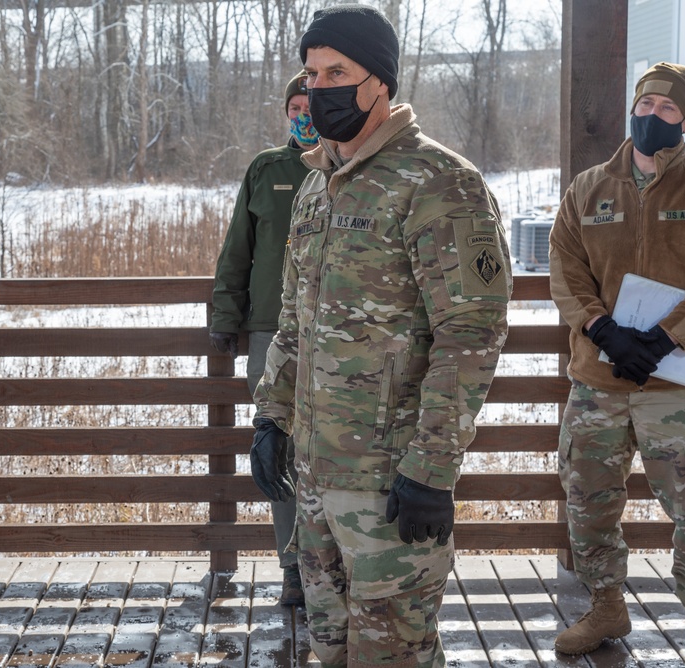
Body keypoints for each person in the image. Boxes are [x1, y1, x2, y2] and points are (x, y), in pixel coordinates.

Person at [249, 5, 511, 666]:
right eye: (311, 73)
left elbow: (470, 337)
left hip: (390, 486)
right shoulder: (317, 186)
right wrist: (272, 417)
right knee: (329, 649)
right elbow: (294, 320)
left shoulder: (440, 183)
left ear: (380, 84)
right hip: (317, 477)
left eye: (338, 71)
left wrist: (431, 467)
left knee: (394, 653)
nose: (319, 87)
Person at [549, 62, 685, 668]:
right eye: (645, 105)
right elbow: (565, 267)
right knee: (587, 497)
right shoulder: (588, 188)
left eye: (667, 110)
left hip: (680, 382)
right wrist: (602, 327)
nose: (652, 117)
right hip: (599, 377)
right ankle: (607, 604)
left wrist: (664, 340)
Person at [210, 70, 317, 607]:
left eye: (312, 104)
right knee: (281, 450)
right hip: (269, 330)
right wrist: (225, 317)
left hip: (336, 335)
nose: (304, 116)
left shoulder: (351, 167)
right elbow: (237, 250)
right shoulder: (266, 169)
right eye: (295, 107)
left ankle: (336, 567)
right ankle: (293, 567)